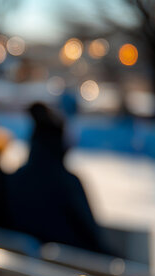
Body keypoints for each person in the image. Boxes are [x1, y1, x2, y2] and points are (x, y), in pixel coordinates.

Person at [6, 102, 109, 253]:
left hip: (26, 269)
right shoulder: (67, 183)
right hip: (71, 269)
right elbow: (91, 236)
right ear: (60, 144)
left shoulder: (14, 180)